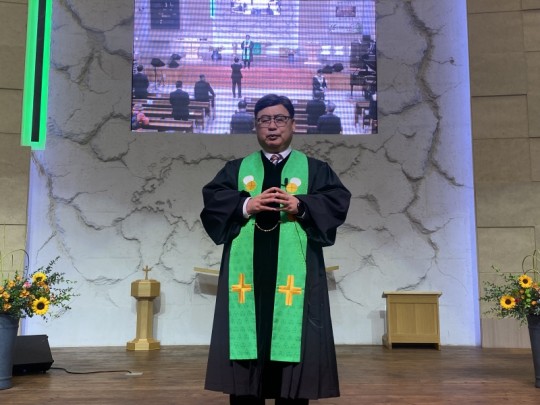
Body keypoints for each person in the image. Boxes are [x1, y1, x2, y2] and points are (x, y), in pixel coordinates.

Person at [201, 94, 351, 404]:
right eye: (264, 120)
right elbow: (213, 202)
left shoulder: (315, 169)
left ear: (293, 124)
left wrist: (302, 205)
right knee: (247, 361)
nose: (272, 126)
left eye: (280, 119)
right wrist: (246, 204)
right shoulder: (236, 169)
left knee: (293, 360)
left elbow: (337, 202)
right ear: (255, 126)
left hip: (294, 279)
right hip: (249, 279)